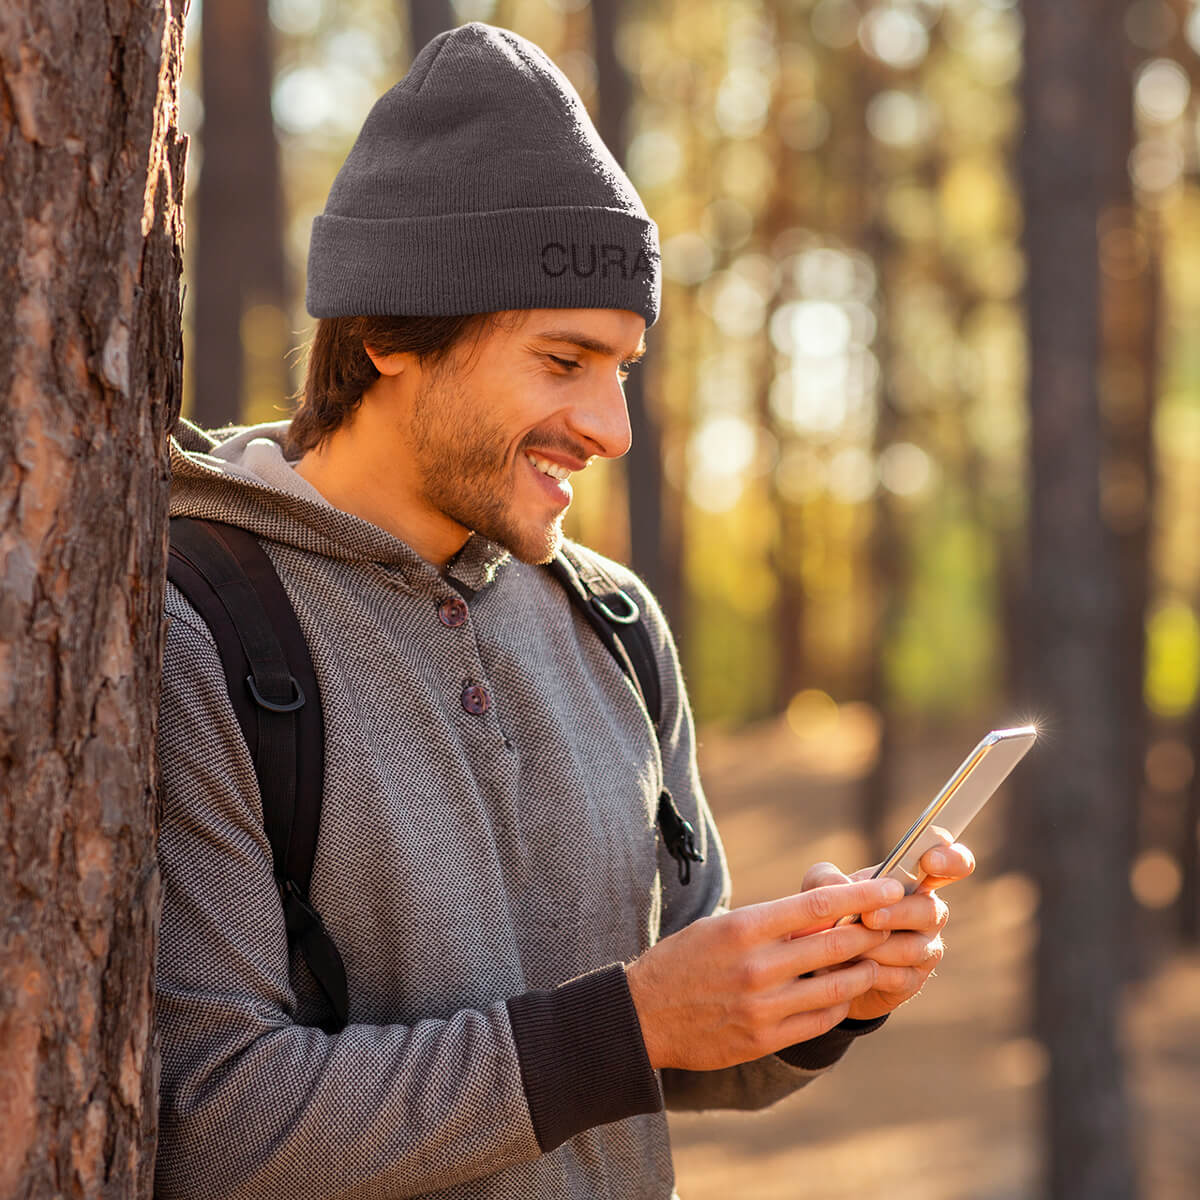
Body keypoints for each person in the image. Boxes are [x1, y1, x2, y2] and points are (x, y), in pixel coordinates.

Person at [155, 22, 973, 1200]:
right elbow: (213, 1120)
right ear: (389, 330)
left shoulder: (614, 625)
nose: (612, 428)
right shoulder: (202, 630)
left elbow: (669, 1044)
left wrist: (816, 994)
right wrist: (628, 1026)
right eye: (563, 361)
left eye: (622, 369)